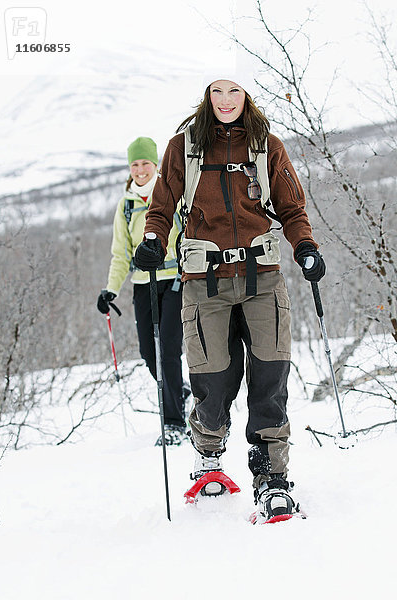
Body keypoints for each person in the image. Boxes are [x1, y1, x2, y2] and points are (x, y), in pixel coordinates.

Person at [134, 73, 325, 519]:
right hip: (205, 282)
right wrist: (152, 241)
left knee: (269, 376)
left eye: (234, 90)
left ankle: (271, 473)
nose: (224, 100)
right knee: (213, 379)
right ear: (205, 94)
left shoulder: (266, 144)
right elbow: (161, 205)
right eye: (216, 90)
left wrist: (305, 247)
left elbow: (291, 206)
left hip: (262, 278)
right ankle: (208, 453)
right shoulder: (183, 147)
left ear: (247, 95)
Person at [97, 136, 189, 446]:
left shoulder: (171, 195)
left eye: (145, 164)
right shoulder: (126, 206)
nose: (140, 170)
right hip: (142, 285)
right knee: (150, 354)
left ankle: (175, 423)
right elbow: (121, 254)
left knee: (169, 349)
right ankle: (180, 392)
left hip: (175, 280)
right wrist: (110, 290)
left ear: (156, 165)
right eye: (134, 164)